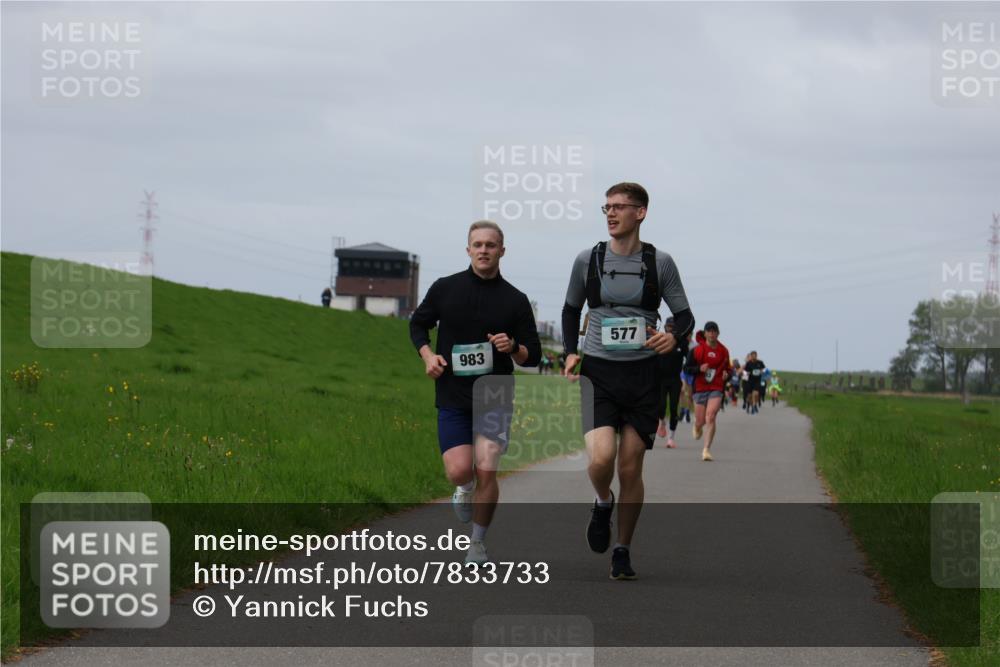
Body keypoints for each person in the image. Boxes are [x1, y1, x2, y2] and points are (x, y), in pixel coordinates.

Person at [561, 182, 694, 580]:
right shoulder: (588, 259)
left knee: (631, 467)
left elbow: (685, 316)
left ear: (641, 212)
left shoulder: (660, 262)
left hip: (643, 375)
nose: (611, 214)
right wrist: (571, 351)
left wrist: (674, 336)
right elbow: (570, 310)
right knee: (601, 458)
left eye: (620, 207)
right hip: (599, 372)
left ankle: (622, 549)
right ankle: (603, 501)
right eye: (607, 208)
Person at [409, 220, 541, 565]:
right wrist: (428, 356)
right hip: (453, 392)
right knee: (459, 470)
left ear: (502, 251)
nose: (484, 250)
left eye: (491, 245)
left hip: (495, 393)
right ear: (468, 249)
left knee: (487, 467)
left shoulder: (515, 300)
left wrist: (513, 346)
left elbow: (533, 355)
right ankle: (463, 489)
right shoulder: (445, 288)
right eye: (478, 244)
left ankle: (477, 545)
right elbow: (418, 324)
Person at [685, 322, 730, 461]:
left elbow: (729, 369)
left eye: (714, 331)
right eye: (709, 331)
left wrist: (726, 374)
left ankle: (706, 450)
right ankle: (697, 426)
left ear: (718, 333)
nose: (711, 333)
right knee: (700, 421)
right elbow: (686, 368)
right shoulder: (697, 350)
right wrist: (699, 369)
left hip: (716, 387)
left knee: (710, 416)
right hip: (700, 388)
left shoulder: (723, 351)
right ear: (705, 334)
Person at [656, 317, 688, 448]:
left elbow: (689, 361)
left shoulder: (682, 343)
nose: (669, 328)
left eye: (672, 327)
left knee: (674, 408)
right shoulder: (659, 340)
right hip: (661, 379)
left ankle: (671, 438)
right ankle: (662, 422)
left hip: (675, 379)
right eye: (668, 326)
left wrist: (685, 378)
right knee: (661, 406)